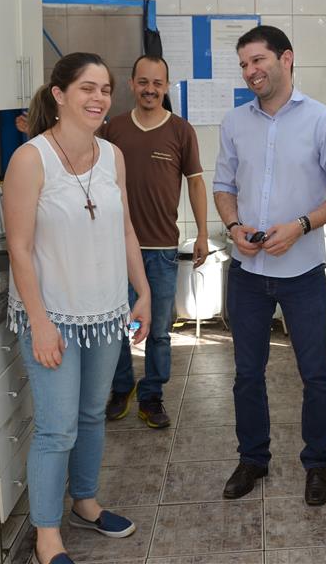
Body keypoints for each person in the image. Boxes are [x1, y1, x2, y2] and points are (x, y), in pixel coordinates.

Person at [5, 52, 152, 564]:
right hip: (53, 316)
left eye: (106, 89)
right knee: (57, 428)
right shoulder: (31, 159)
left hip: (106, 313)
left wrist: (143, 292)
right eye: (87, 88)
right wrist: (40, 323)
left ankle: (85, 503)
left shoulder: (112, 156)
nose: (99, 98)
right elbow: (19, 247)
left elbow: (125, 228)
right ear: (59, 95)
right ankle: (47, 536)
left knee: (92, 415)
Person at [213, 25, 326, 506]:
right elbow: (223, 186)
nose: (250, 71)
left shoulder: (322, 121)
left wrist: (301, 225)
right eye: (244, 64)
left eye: (258, 60)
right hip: (248, 273)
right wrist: (234, 226)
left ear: (286, 59)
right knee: (246, 374)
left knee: (314, 373)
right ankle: (252, 459)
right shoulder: (235, 122)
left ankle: (317, 463)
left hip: (302, 275)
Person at [103, 54, 210, 429]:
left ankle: (151, 396)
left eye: (157, 83)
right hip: (117, 249)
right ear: (132, 84)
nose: (150, 89)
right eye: (143, 82)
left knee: (160, 331)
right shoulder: (113, 129)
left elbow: (196, 183)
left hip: (162, 249)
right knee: (120, 326)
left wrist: (202, 232)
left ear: (166, 87)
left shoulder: (181, 130)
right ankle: (121, 389)